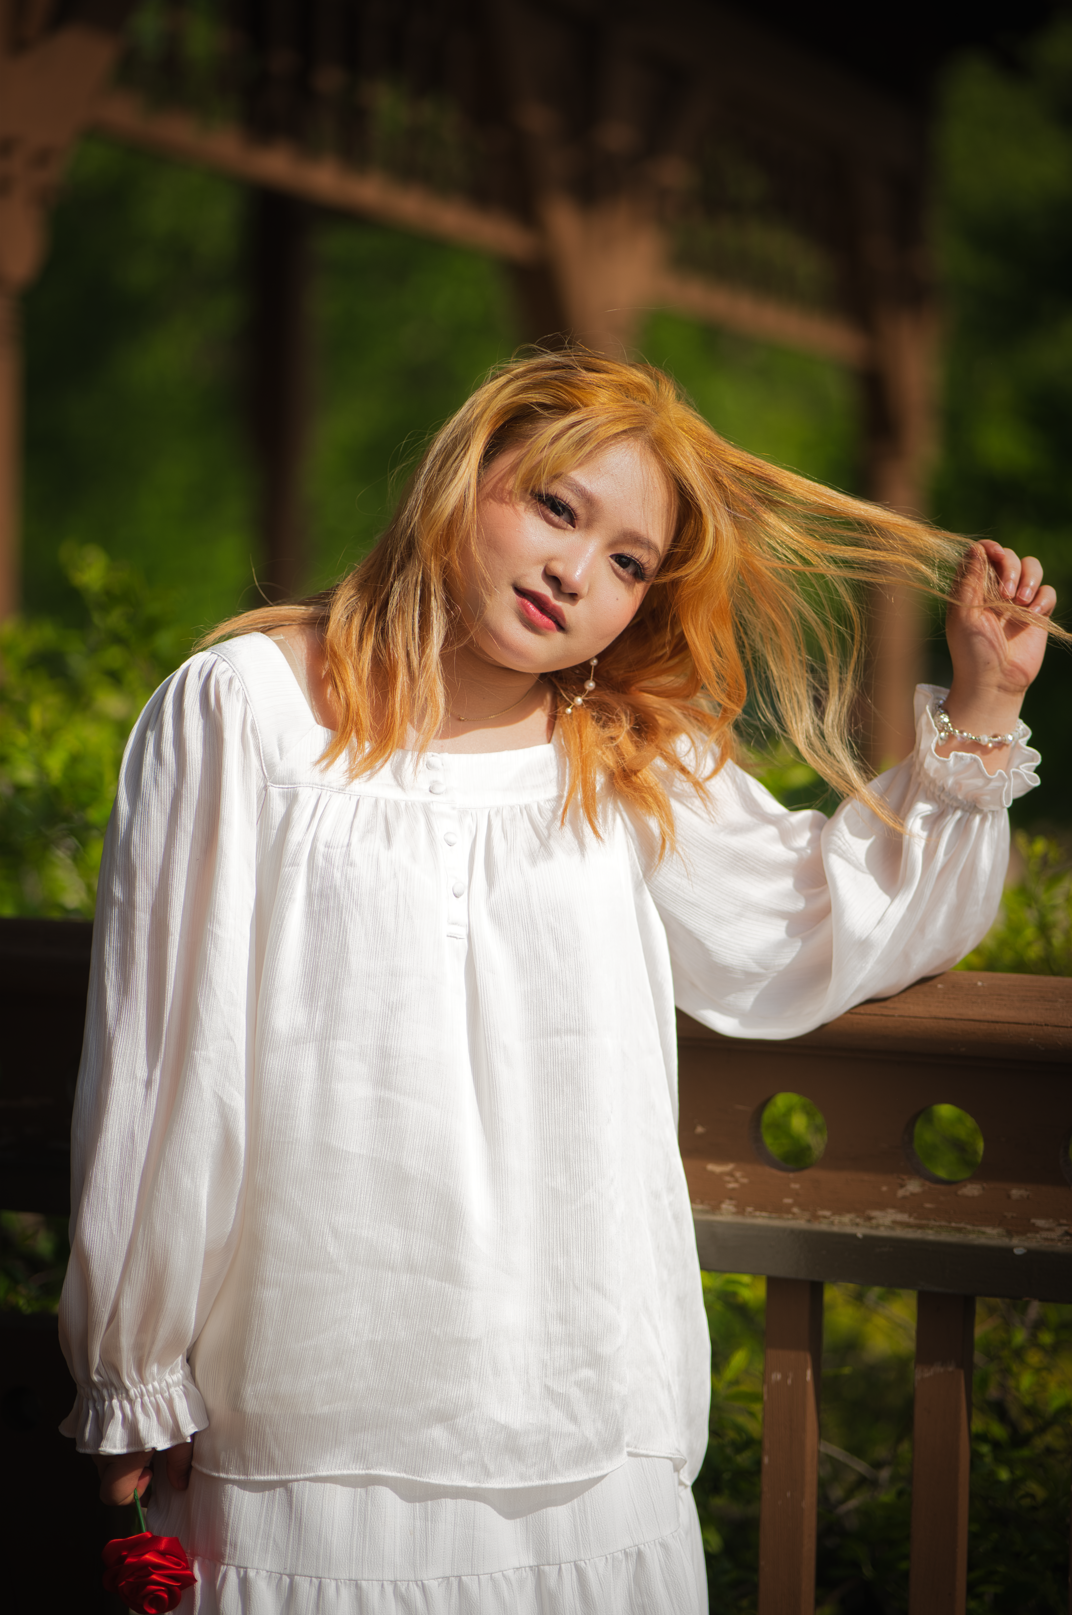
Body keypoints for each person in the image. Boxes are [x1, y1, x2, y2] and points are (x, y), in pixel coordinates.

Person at [59, 352, 1057, 1614]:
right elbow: (164, 1068)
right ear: (460, 478)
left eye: (630, 562)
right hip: (307, 1427)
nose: (574, 573)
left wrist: (983, 703)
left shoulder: (626, 757)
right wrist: (132, 1366)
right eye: (556, 507)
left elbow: (816, 924)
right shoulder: (245, 710)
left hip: (585, 1426)